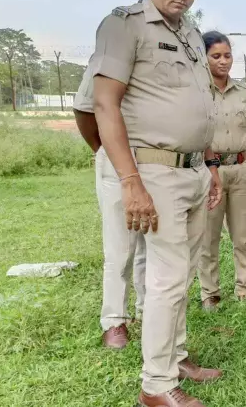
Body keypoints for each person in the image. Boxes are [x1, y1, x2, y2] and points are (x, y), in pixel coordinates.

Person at [91, 0, 225, 405]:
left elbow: (199, 103)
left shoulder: (188, 32)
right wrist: (130, 182)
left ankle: (175, 357)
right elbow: (104, 106)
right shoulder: (123, 25)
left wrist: (209, 165)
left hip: (191, 171)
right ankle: (157, 386)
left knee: (180, 274)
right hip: (154, 170)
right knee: (167, 278)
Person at [74, 63, 147, 350]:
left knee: (152, 242)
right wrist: (106, 150)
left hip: (161, 160)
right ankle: (115, 320)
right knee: (120, 245)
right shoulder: (109, 55)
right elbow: (84, 111)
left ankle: (146, 310)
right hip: (119, 159)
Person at [196, 31, 246, 311]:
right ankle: (210, 294)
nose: (224, 61)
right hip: (210, 171)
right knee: (208, 236)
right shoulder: (197, 91)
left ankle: (245, 290)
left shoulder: (245, 92)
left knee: (243, 235)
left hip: (242, 169)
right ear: (204, 57)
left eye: (228, 55)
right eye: (216, 56)